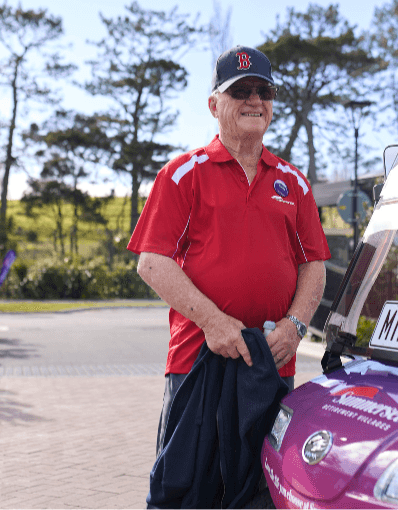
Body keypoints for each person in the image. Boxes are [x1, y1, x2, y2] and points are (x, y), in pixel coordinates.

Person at [127, 45, 330, 456]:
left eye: (264, 91)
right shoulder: (182, 174)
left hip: (273, 364)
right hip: (198, 363)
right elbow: (152, 262)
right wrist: (214, 322)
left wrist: (295, 326)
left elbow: (313, 265)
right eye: (240, 91)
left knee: (264, 486)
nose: (254, 100)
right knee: (189, 490)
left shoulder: (294, 182)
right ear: (214, 104)